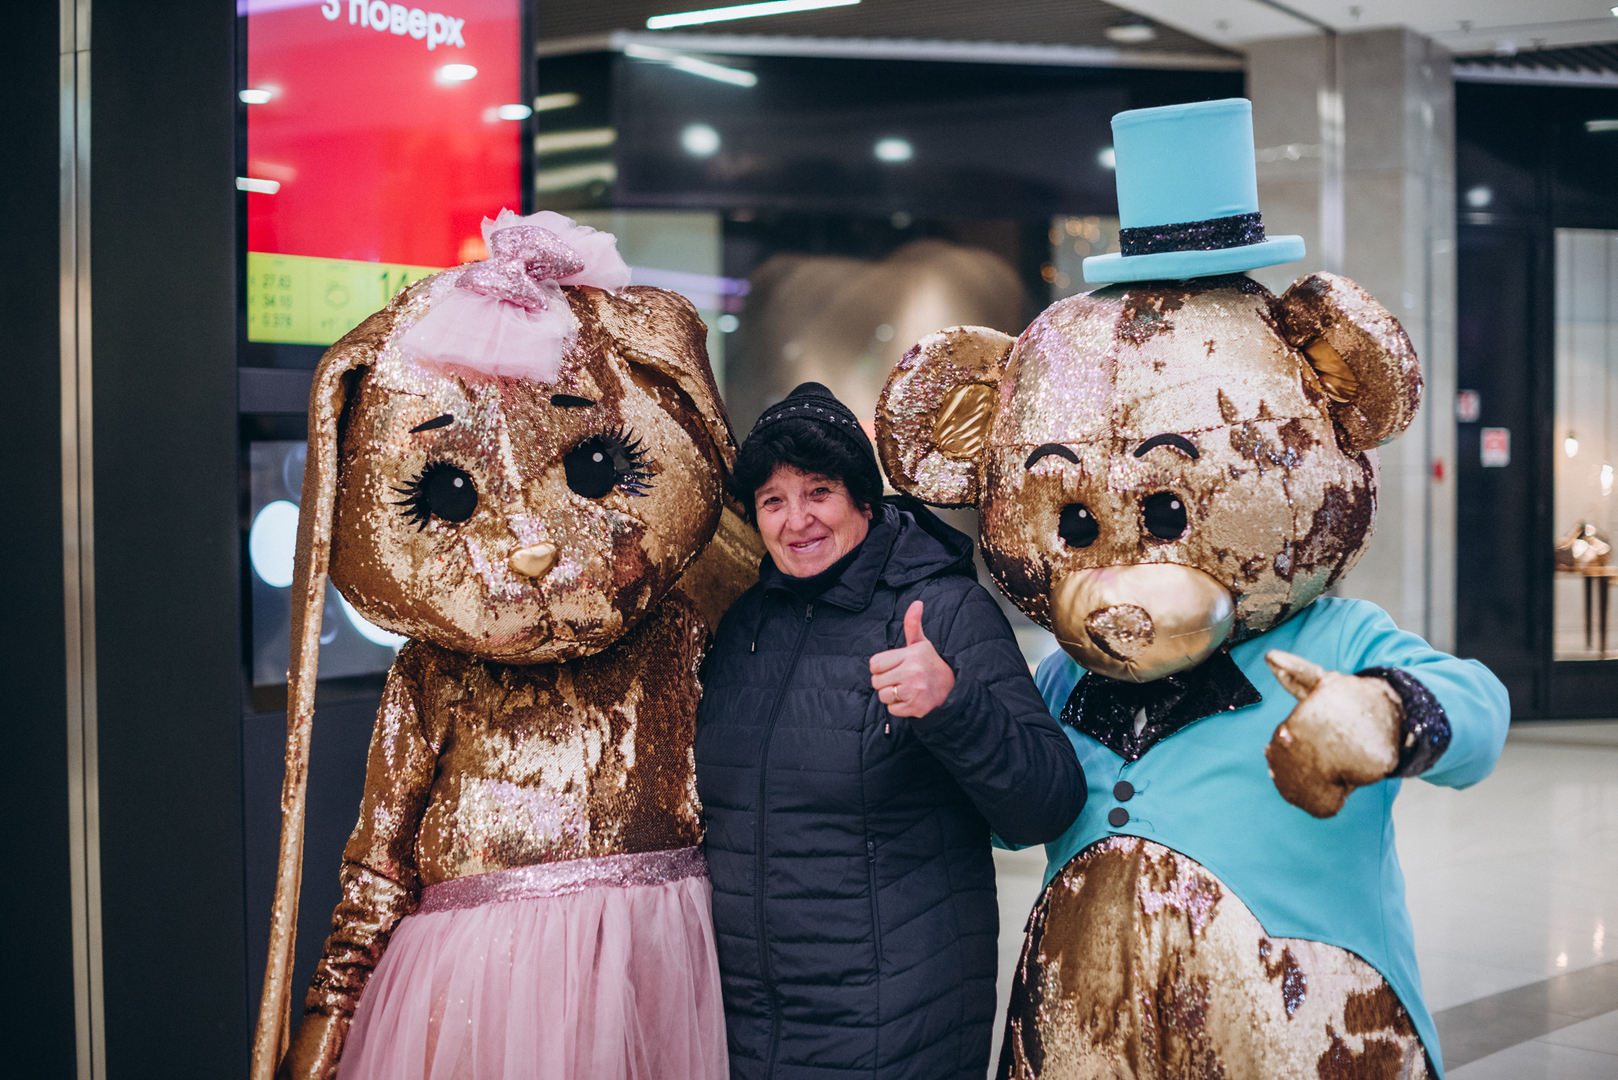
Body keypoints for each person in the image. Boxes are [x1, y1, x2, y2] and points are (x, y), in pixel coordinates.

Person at [694, 382, 1087, 1080]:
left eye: (819, 492)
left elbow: (1046, 804)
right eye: (774, 501)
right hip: (749, 1029)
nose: (797, 520)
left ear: (863, 501)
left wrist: (954, 705)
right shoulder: (747, 624)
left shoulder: (943, 609)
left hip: (894, 1026)